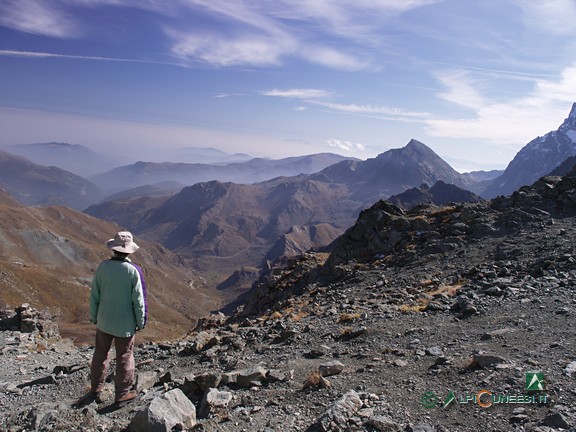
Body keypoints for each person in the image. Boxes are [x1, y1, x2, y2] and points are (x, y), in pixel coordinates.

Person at [85, 231, 147, 406]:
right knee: (125, 357)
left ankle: (95, 388)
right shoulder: (133, 271)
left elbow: (94, 295)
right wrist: (140, 321)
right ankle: (122, 394)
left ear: (114, 249)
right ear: (129, 251)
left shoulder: (103, 267)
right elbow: (138, 300)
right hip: (125, 324)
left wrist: (94, 316)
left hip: (104, 321)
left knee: (100, 354)